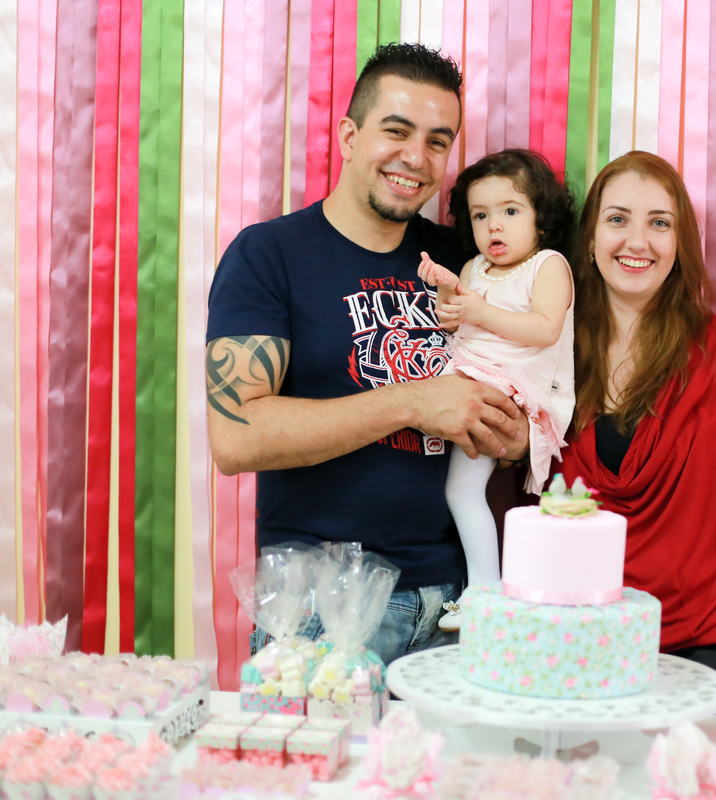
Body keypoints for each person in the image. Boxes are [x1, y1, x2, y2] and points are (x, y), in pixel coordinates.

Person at [204, 43, 528, 666]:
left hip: (460, 603)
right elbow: (236, 437)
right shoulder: (269, 255)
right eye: (396, 131)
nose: (416, 158)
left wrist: (514, 435)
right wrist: (414, 402)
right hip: (325, 611)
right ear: (350, 137)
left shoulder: (466, 260)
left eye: (438, 141)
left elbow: (511, 381)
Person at [558, 151, 716, 716]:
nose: (637, 241)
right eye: (617, 219)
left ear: (681, 243)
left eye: (659, 223)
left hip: (707, 652)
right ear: (590, 239)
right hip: (574, 649)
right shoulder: (548, 353)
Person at [418, 150, 577, 629]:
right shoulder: (475, 268)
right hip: (470, 374)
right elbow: (457, 325)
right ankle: (483, 588)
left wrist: (480, 312)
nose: (495, 226)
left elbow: (545, 329)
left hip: (515, 387)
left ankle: (485, 590)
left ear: (541, 219)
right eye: (481, 215)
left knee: (462, 492)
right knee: (454, 486)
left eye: (510, 211)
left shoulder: (548, 266)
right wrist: (447, 293)